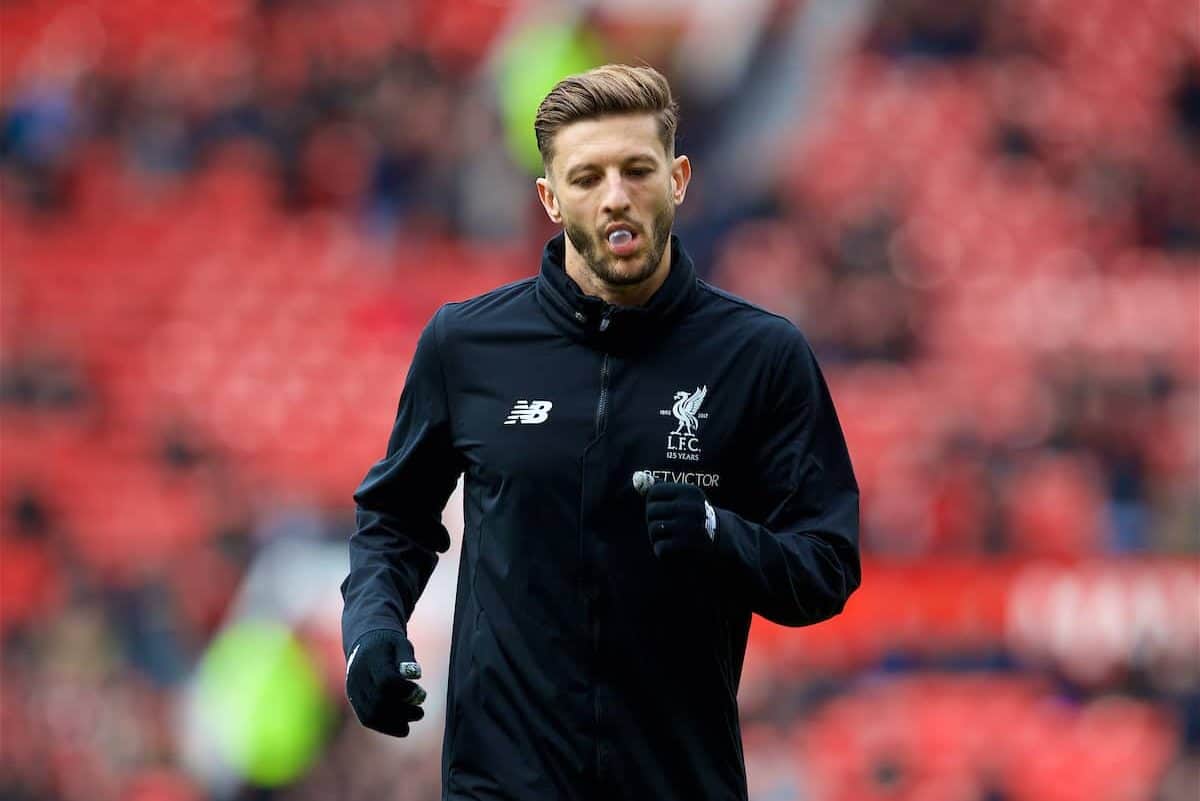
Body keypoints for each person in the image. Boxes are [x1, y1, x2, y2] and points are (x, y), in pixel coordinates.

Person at [341, 64, 861, 801]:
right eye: (587, 177)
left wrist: (719, 534)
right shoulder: (466, 345)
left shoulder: (761, 357)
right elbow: (394, 517)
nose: (616, 195)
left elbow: (827, 565)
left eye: (637, 169)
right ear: (551, 199)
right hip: (502, 786)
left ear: (678, 178)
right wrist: (371, 630)